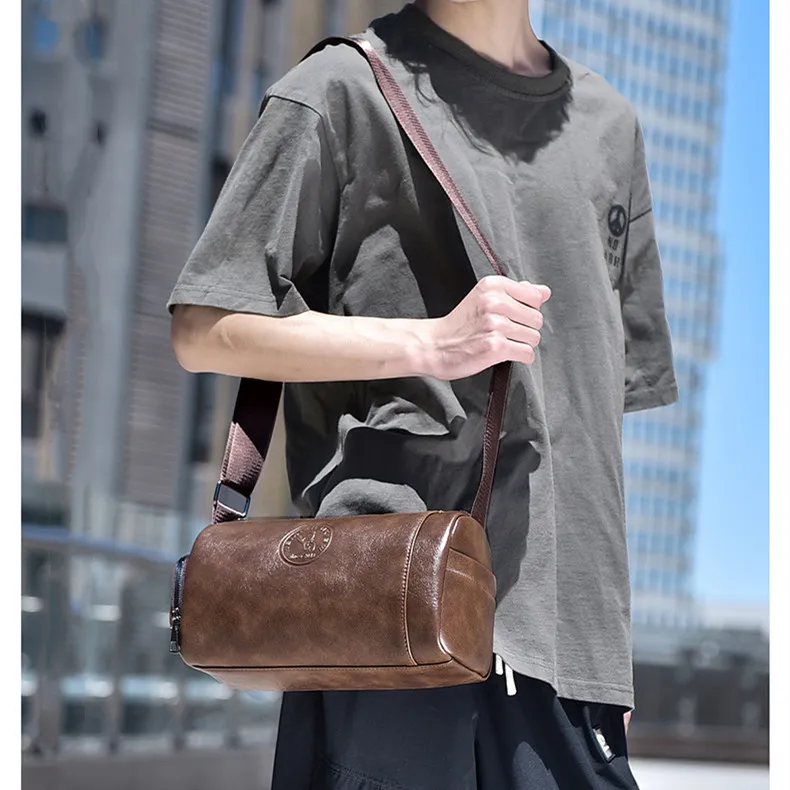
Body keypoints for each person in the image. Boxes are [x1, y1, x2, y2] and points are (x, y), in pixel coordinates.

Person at [167, 1, 678, 787]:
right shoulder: (339, 87)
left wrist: (609, 650)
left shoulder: (610, 126)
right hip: (388, 616)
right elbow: (204, 327)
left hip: (567, 657)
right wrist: (432, 342)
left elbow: (593, 419)